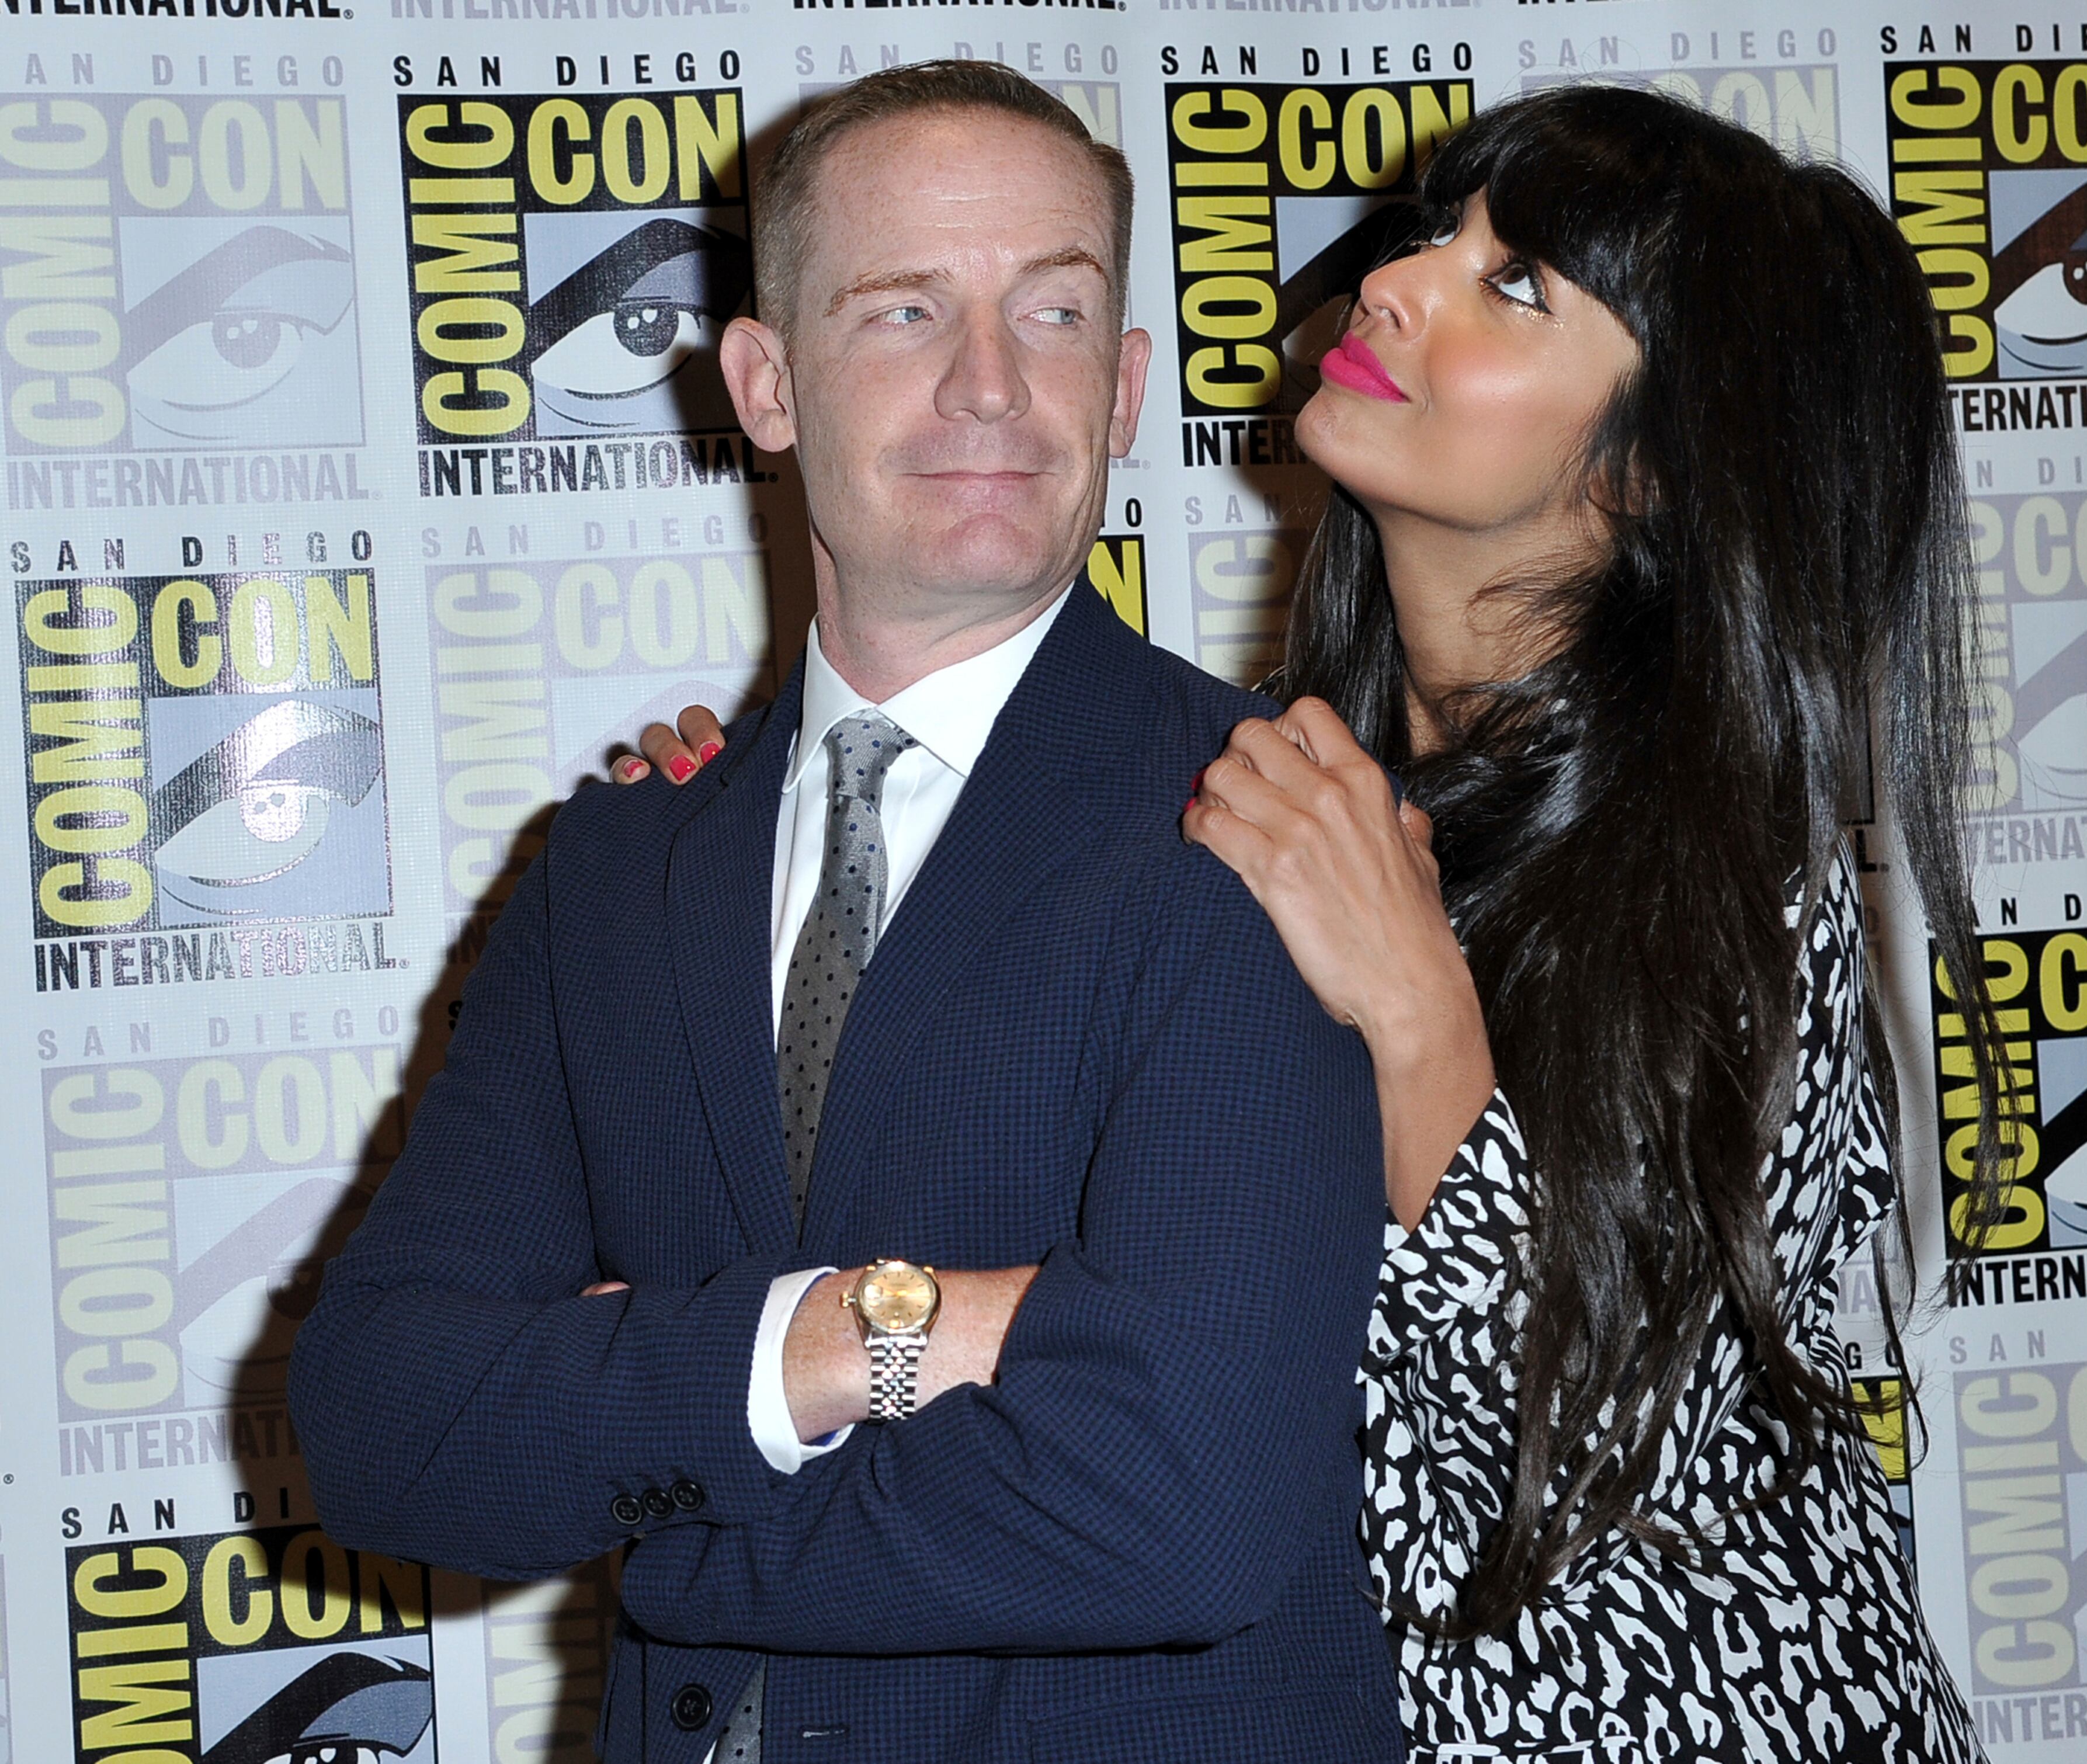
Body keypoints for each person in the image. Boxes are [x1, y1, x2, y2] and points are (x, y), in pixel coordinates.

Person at [626, 85, 2003, 1763]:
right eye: (1438, 234)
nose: (1401, 283)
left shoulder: (1738, 879)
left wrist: (1420, 1008)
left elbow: (1578, 1454)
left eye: (1517, 286)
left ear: (1652, 465)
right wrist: (808, 826)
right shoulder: (1250, 779)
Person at [290, 62, 1405, 1764]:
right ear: (766, 380)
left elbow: (1180, 1499)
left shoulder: (1262, 825)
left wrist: (641, 1505)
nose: (988, 384)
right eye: (903, 312)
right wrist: (831, 1345)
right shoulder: (613, 871)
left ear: (1122, 392)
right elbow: (379, 1423)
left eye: (1053, 311)